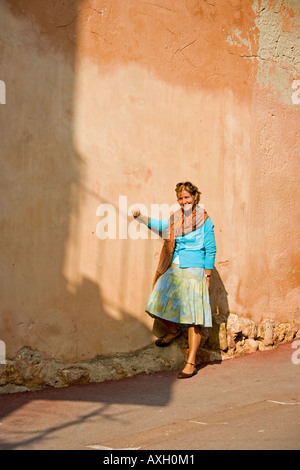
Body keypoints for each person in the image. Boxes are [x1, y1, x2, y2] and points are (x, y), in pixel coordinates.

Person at [132, 181, 216, 379]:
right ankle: (174, 329)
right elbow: (162, 226)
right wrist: (141, 217)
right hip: (175, 266)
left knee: (194, 318)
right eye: (180, 198)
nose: (184, 201)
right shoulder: (176, 217)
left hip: (195, 270)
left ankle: (191, 362)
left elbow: (211, 249)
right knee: (156, 301)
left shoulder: (205, 220)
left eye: (187, 197)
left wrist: (208, 275)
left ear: (195, 197)